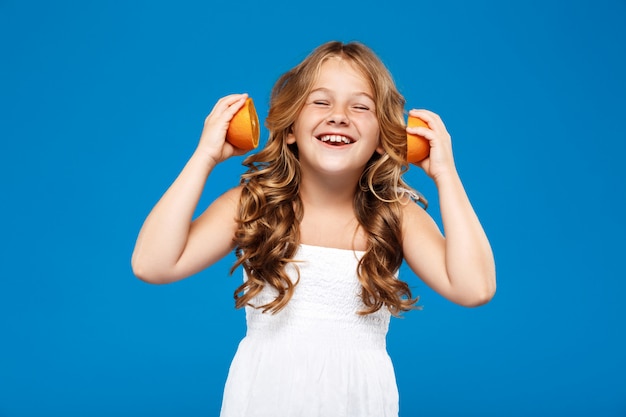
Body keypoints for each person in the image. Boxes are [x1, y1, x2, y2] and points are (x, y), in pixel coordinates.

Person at [131, 40, 496, 417]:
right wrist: (203, 157)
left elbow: (475, 288)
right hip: (262, 400)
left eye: (360, 106)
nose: (339, 116)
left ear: (382, 139)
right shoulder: (254, 204)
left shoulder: (396, 216)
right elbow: (152, 264)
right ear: (290, 128)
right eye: (320, 102)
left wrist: (446, 176)